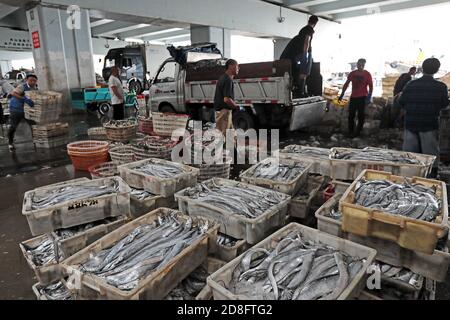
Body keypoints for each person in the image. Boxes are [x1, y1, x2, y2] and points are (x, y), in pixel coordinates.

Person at [399, 58, 449, 178]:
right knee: (430, 155)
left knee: (410, 156)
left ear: (422, 68)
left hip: (411, 123)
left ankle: (408, 178)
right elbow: (444, 104)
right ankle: (430, 179)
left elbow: (401, 101)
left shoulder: (411, 84)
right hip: (429, 124)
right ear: (436, 70)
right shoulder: (440, 86)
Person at [280, 15, 319, 98]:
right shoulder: (309, 30)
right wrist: (305, 55)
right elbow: (306, 41)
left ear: (308, 20)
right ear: (315, 23)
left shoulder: (302, 29)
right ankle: (300, 92)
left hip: (297, 54)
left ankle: (300, 90)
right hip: (303, 53)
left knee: (301, 72)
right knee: (304, 72)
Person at [339, 58, 373, 137]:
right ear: (357, 64)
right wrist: (342, 94)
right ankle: (351, 132)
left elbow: (371, 86)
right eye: (359, 64)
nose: (360, 66)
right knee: (351, 115)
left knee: (360, 115)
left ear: (364, 65)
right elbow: (346, 84)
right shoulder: (352, 74)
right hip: (354, 97)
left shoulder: (367, 74)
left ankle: (358, 132)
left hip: (363, 97)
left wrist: (369, 96)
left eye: (362, 65)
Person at [7, 74, 37, 151]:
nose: (33, 82)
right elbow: (13, 93)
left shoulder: (35, 88)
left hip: (27, 110)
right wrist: (24, 99)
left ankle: (36, 141)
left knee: (33, 125)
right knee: (13, 126)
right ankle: (10, 143)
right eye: (31, 80)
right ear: (27, 80)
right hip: (16, 109)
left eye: (34, 80)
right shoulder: (22, 86)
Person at [213, 59, 239, 136]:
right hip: (224, 112)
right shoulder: (227, 80)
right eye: (237, 66)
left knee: (230, 134)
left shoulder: (223, 78)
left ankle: (232, 147)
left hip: (223, 112)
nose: (238, 69)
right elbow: (227, 99)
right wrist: (236, 107)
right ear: (231, 66)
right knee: (225, 136)